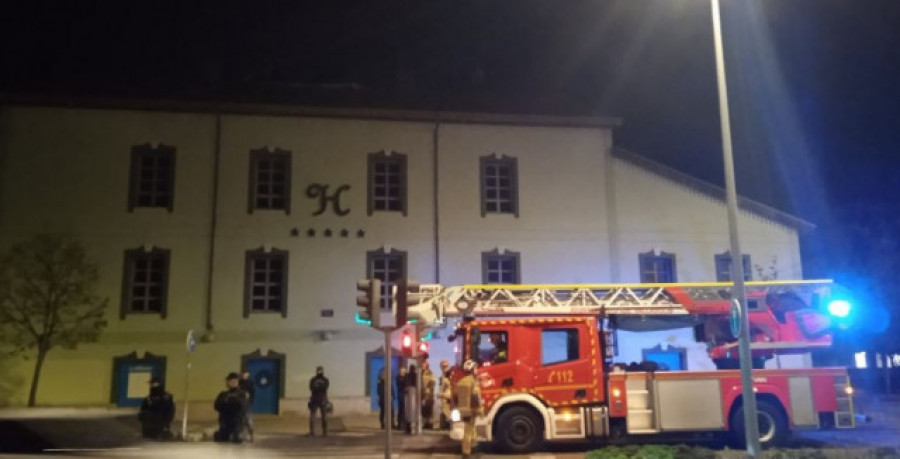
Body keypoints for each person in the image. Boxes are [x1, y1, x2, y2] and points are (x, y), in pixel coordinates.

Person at [453, 360, 483, 458]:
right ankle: (466, 453)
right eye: (475, 368)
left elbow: (455, 397)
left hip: (463, 410)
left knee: (471, 429)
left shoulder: (460, 382)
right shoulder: (473, 381)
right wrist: (479, 408)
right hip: (471, 410)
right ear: (471, 369)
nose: (476, 370)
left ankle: (473, 448)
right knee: (468, 431)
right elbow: (475, 396)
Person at [214, 372, 247, 443]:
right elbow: (217, 406)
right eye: (230, 381)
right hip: (225, 422)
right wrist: (225, 402)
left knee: (237, 439)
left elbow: (243, 407)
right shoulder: (223, 394)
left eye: (235, 381)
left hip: (237, 422)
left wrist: (233, 401)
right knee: (223, 439)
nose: (232, 383)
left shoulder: (242, 394)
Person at [308, 365, 330, 436]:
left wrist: (316, 388)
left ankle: (312, 432)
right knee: (324, 416)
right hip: (322, 399)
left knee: (313, 416)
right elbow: (325, 388)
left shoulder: (313, 380)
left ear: (316, 371)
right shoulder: (325, 380)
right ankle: (325, 432)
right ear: (322, 371)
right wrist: (321, 387)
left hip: (314, 398)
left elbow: (311, 388)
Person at [239, 371, 256, 442]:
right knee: (241, 420)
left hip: (247, 403)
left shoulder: (250, 383)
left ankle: (251, 434)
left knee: (248, 419)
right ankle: (242, 434)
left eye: (245, 374)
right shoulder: (239, 382)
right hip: (240, 403)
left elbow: (252, 392)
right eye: (243, 374)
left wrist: (250, 400)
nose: (244, 376)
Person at [420, 359, 436, 429]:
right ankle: (424, 423)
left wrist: (428, 390)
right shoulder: (419, 372)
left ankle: (429, 424)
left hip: (428, 395)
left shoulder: (430, 373)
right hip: (421, 394)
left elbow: (432, 383)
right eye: (422, 364)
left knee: (429, 410)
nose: (423, 365)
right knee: (422, 410)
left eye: (424, 364)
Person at [438, 360, 453, 430]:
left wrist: (443, 394)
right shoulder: (443, 376)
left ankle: (449, 424)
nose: (444, 368)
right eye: (442, 367)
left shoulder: (450, 375)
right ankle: (446, 424)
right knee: (444, 410)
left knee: (448, 411)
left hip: (448, 396)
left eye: (445, 366)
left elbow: (450, 387)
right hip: (445, 396)